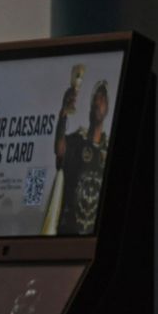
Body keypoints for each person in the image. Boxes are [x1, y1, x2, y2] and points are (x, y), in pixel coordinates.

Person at [45, 72, 111, 235]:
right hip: (67, 237)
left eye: (103, 98)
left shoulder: (109, 151)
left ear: (107, 108)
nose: (98, 101)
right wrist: (63, 114)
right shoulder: (76, 141)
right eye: (96, 97)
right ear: (90, 105)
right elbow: (59, 150)